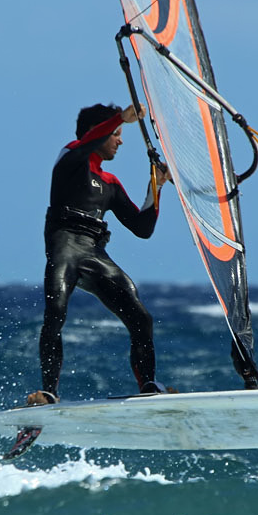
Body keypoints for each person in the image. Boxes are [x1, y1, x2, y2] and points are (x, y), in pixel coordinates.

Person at [29, 102, 170, 405]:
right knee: (55, 314)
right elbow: (86, 144)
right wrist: (120, 118)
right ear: (98, 133)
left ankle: (148, 385)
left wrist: (155, 187)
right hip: (64, 247)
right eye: (116, 134)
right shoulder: (70, 158)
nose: (120, 140)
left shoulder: (110, 183)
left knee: (141, 318)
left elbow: (142, 228)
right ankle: (48, 392)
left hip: (95, 254)